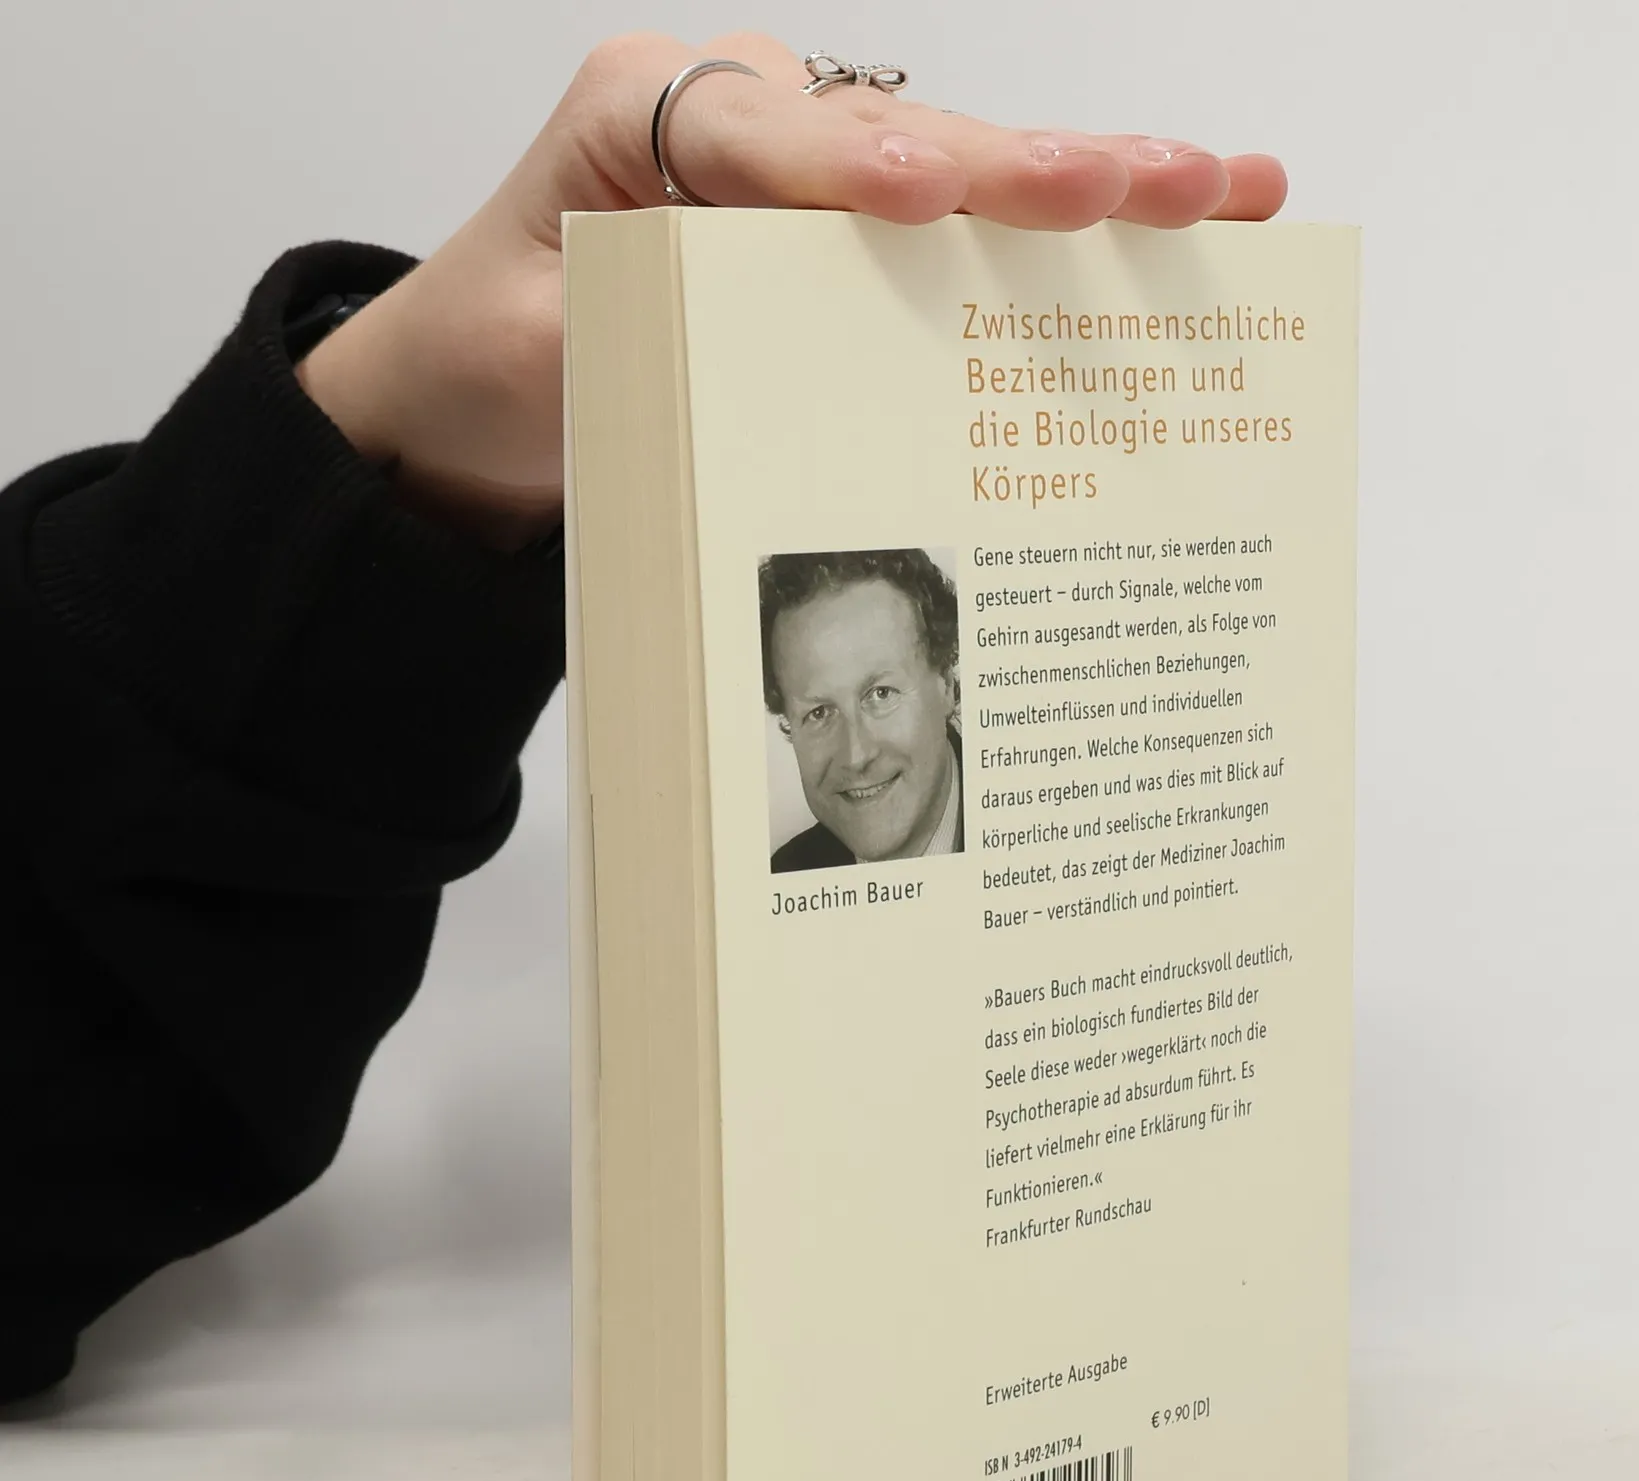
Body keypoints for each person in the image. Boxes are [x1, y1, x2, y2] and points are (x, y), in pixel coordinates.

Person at [0, 32, 1288, 1404]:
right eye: (811, 710)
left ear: (953, 682)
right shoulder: (797, 867)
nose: (850, 753)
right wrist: (419, 459)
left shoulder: (1106, 863)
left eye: (880, 691)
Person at [762, 548, 963, 869]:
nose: (856, 756)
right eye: (819, 712)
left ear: (947, 685)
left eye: (881, 694)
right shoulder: (785, 870)